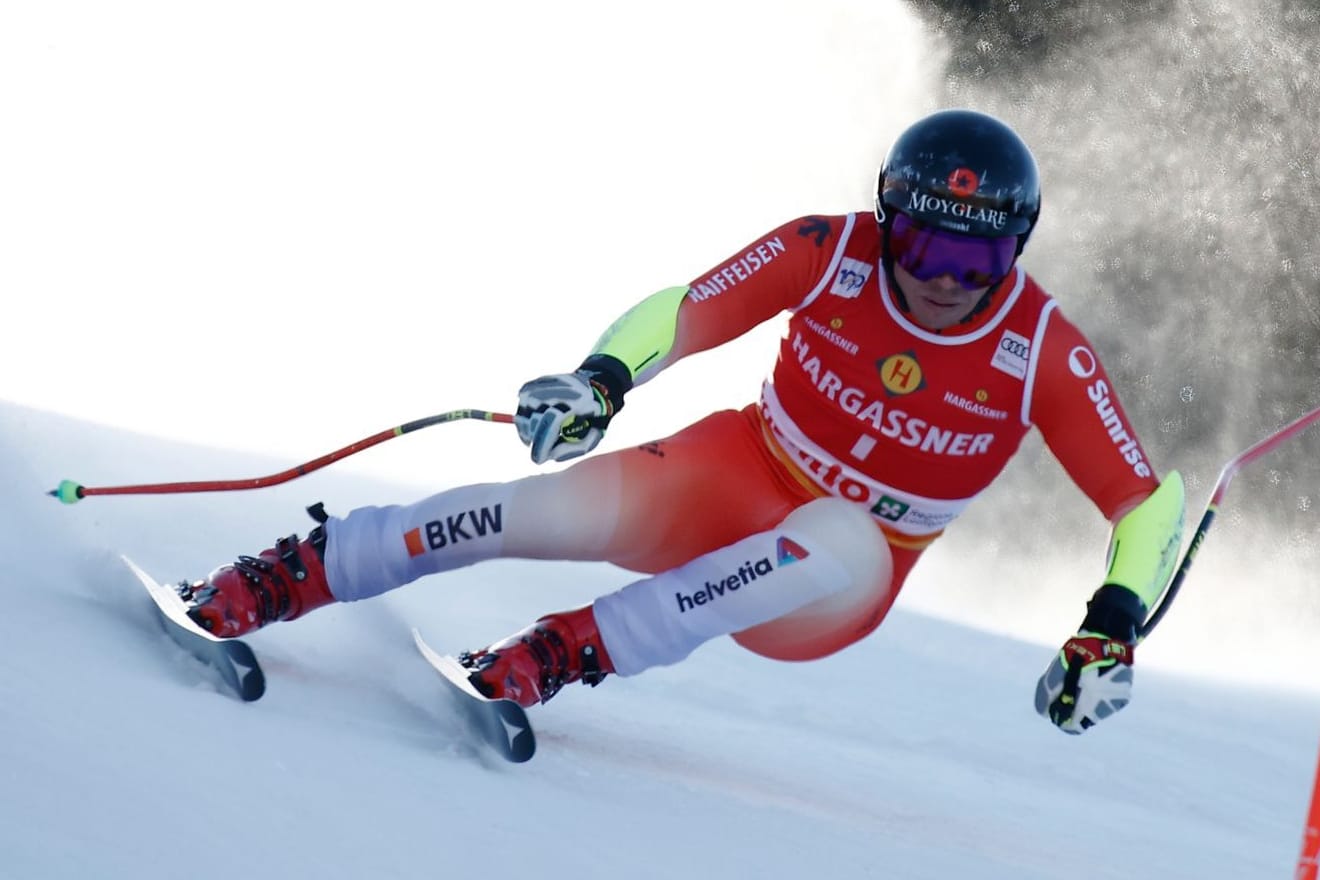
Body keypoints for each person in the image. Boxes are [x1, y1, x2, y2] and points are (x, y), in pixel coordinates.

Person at [181, 108, 1185, 735]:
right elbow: (690, 306)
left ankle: (562, 650)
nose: (939, 283)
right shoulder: (829, 250)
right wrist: (603, 378)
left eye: (976, 264)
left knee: (832, 533)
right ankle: (290, 574)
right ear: (888, 218)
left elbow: (1143, 504)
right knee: (546, 511)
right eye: (920, 244)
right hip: (738, 469)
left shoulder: (1043, 347)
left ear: (1017, 251)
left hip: (843, 570)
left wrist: (1111, 626)